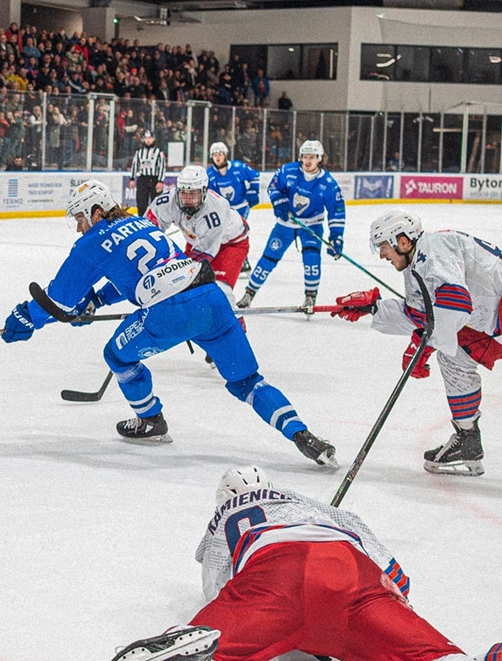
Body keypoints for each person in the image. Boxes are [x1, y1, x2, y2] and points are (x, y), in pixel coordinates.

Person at [1, 180, 336, 467]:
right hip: (212, 300)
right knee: (249, 382)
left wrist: (25, 317)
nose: (78, 227)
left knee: (118, 356)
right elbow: (140, 270)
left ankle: (149, 420)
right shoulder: (143, 225)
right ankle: (303, 435)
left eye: (79, 218)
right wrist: (98, 299)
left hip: (168, 313)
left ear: (96, 211)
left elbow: (59, 299)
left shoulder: (91, 241)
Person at [112, 466, 492, 661]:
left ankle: (192, 645)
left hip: (277, 572)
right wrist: (393, 597)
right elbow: (362, 532)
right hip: (350, 568)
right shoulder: (304, 502)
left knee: (216, 641)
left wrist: (219, 612)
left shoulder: (224, 516)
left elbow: (216, 578)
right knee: (426, 653)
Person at [332, 211, 502, 476]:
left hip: (493, 315)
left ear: (402, 241)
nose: (381, 256)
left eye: (384, 247)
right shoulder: (419, 262)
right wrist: (374, 308)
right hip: (492, 319)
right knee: (453, 357)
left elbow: (455, 306)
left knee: (449, 351)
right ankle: (468, 440)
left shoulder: (433, 251)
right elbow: (421, 314)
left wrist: (421, 345)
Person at [236, 139, 344, 312]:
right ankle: (249, 294)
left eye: (313, 157)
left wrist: (336, 236)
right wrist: (280, 204)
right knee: (268, 259)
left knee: (312, 259)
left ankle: (310, 297)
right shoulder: (288, 171)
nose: (308, 161)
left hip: (312, 226)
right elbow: (274, 187)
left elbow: (337, 210)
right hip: (285, 225)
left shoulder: (328, 183)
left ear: (320, 158)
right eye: (305, 156)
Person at [146, 165, 249, 311]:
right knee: (183, 290)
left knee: (220, 294)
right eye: (183, 193)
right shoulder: (167, 201)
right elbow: (147, 231)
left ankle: (236, 329)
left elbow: (200, 259)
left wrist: (173, 272)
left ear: (204, 192)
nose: (187, 199)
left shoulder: (216, 211)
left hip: (231, 244)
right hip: (195, 239)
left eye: (193, 194)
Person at [206, 142, 260, 276]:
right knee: (221, 234)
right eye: (215, 155)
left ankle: (243, 261)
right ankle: (225, 260)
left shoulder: (238, 167)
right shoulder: (209, 174)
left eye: (220, 154)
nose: (218, 157)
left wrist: (253, 192)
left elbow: (255, 176)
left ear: (225, 155)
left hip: (240, 207)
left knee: (237, 232)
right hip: (223, 210)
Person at [130, 130, 166, 216]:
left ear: (153, 139)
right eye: (146, 138)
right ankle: (141, 220)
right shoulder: (139, 152)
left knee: (156, 202)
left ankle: (156, 222)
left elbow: (162, 166)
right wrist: (132, 178)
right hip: (143, 178)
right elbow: (135, 164)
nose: (148, 140)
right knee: (141, 202)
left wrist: (160, 181)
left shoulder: (158, 152)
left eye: (150, 138)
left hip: (154, 179)